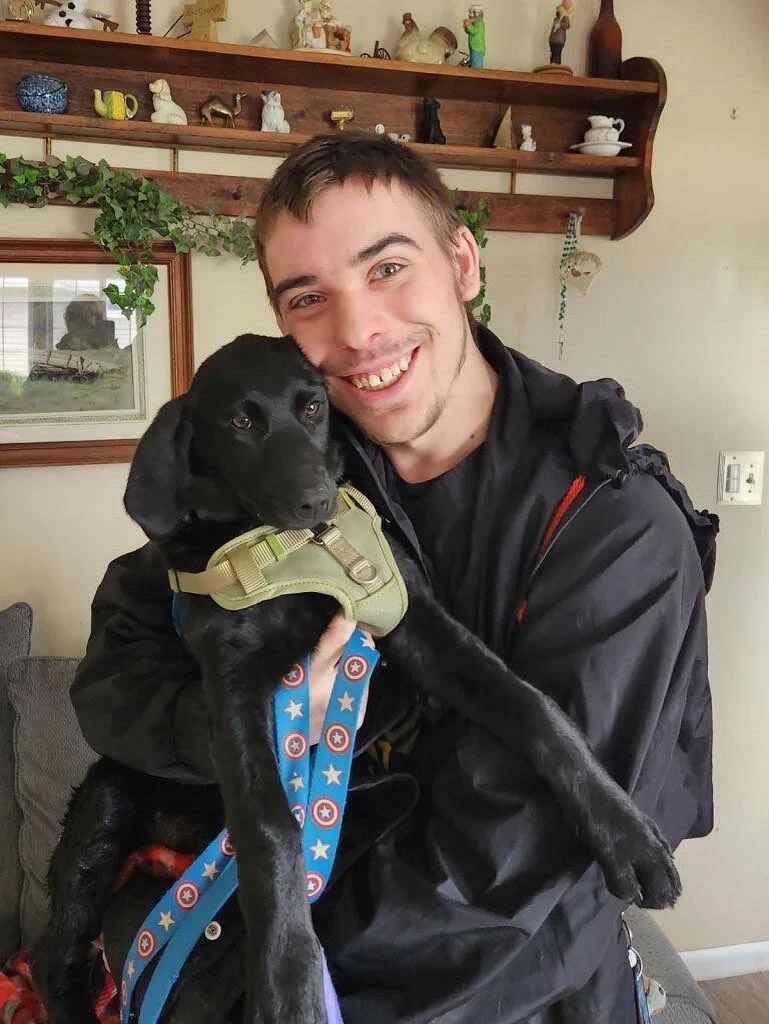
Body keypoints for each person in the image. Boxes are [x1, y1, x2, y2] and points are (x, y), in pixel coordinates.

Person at [70, 132, 717, 1023]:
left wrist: (268, 990)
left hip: (501, 994)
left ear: (461, 262)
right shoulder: (294, 479)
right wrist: (245, 717)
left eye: (386, 269)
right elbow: (110, 681)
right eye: (309, 298)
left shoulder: (611, 525)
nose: (357, 331)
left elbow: (498, 877)